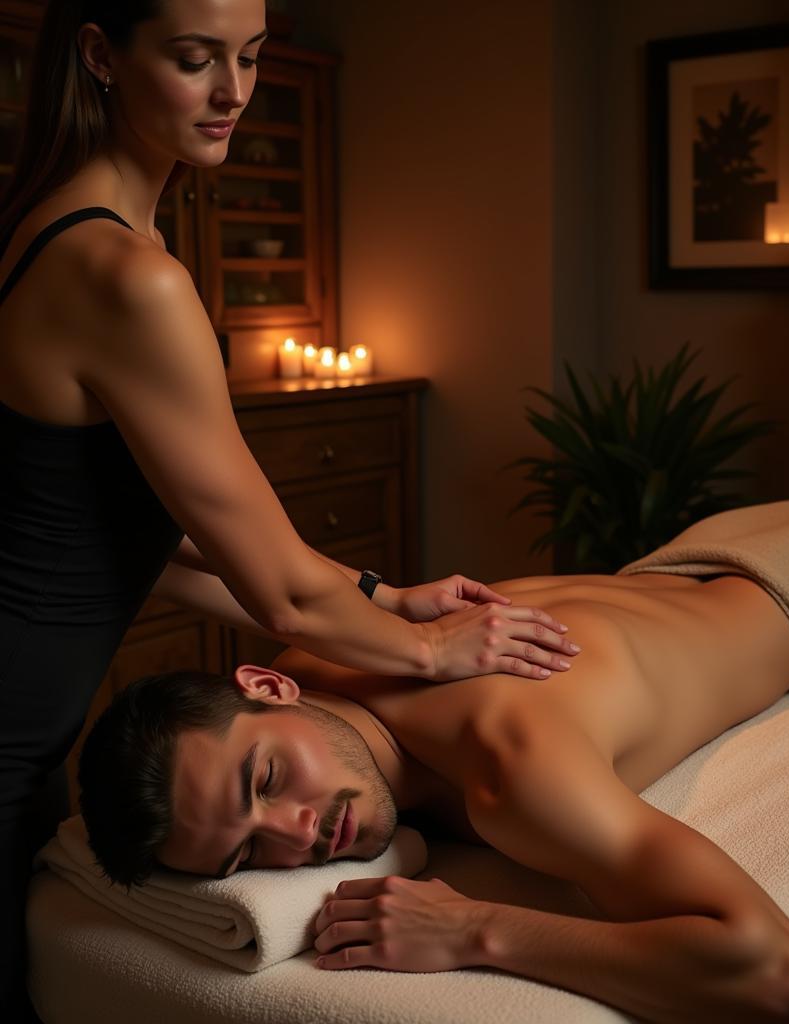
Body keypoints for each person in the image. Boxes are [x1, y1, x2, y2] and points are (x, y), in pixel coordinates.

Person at [0, 1, 578, 1016]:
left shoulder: (40, 228)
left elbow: (120, 534)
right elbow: (284, 597)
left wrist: (385, 594)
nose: (233, 93)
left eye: (253, 58)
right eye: (194, 60)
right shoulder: (123, 275)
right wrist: (438, 647)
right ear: (100, 55)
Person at [77, 443, 789, 1024]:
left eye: (263, 780)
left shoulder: (515, 769)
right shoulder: (322, 645)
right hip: (691, 559)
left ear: (268, 687)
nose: (293, 833)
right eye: (244, 853)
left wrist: (478, 930)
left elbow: (787, 983)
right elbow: (150, 539)